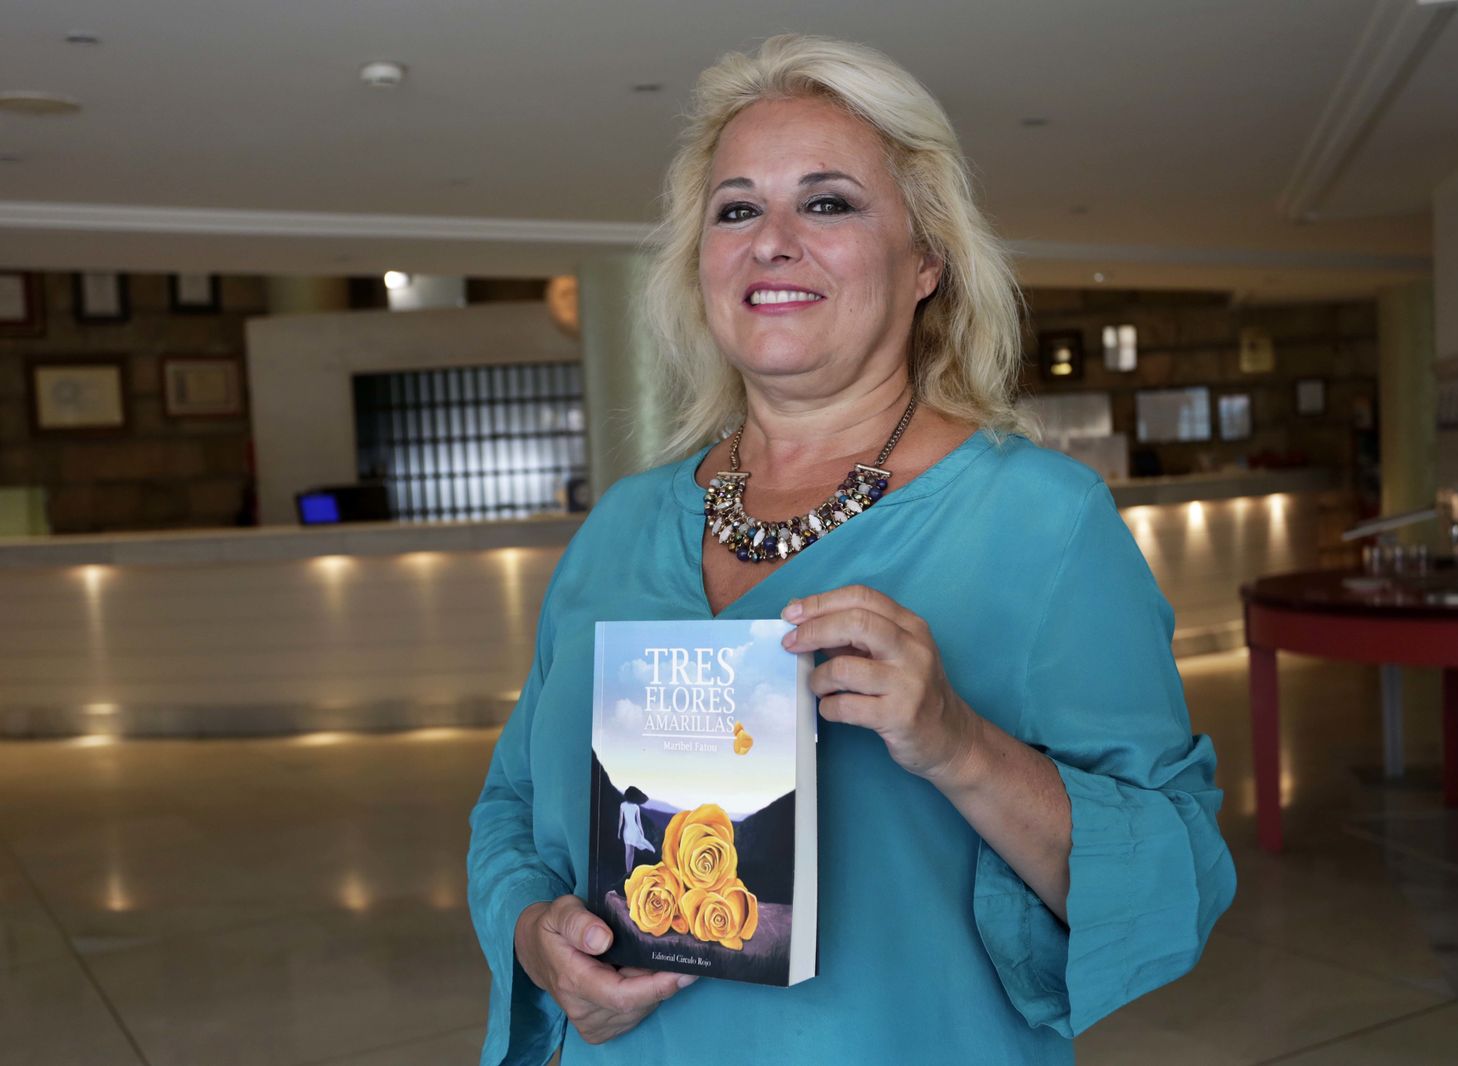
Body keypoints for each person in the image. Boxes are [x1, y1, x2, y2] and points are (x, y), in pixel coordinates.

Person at [468, 34, 1235, 1065]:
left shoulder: (1042, 523)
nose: (771, 241)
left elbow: (1172, 882)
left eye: (826, 203)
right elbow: (513, 803)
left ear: (925, 262)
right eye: (736, 210)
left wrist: (960, 745)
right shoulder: (622, 526)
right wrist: (537, 938)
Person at [616, 787, 654, 874]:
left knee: (630, 851)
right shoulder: (625, 805)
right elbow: (621, 819)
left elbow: (638, 821)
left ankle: (629, 870)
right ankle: (628, 871)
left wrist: (642, 832)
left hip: (632, 830)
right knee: (629, 851)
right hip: (628, 830)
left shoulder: (634, 807)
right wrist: (619, 831)